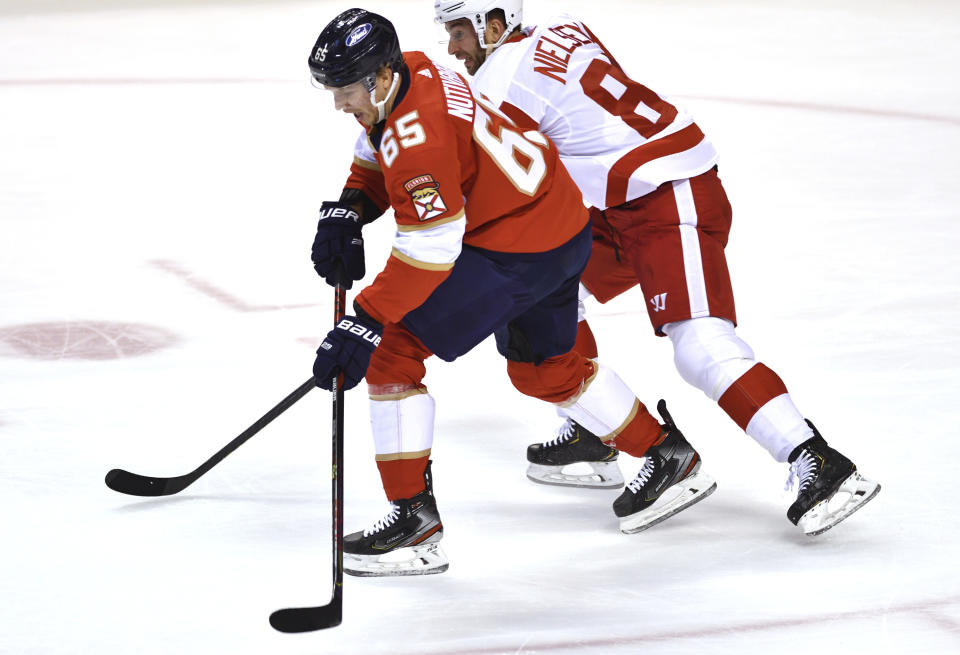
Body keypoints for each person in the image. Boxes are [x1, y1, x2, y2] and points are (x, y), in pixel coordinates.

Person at [434, 0, 881, 536]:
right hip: (619, 199)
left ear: (495, 23)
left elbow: (489, 184)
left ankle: (819, 461)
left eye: (460, 31)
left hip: (669, 194)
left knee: (700, 345)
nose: (454, 47)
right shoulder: (561, 28)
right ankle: (593, 431)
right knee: (545, 293)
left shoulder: (499, 81)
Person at [305, 8, 717, 577]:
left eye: (346, 90)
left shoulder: (415, 138)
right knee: (544, 370)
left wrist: (365, 319)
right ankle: (666, 454)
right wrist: (349, 208)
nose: (338, 104)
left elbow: (431, 249)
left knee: (391, 352)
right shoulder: (416, 72)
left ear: (378, 78)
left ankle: (413, 526)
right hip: (562, 228)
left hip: (514, 252)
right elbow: (378, 150)